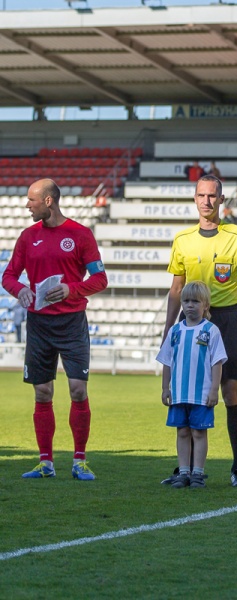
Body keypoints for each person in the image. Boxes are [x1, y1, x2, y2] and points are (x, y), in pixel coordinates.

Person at [1, 178, 108, 480]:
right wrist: (20, 290)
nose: (27, 205)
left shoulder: (80, 234)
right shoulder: (27, 236)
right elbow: (9, 276)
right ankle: (45, 463)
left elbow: (100, 279)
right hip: (39, 324)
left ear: (48, 201)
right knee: (43, 392)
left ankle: (79, 461)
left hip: (72, 322)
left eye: (31, 200)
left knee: (78, 390)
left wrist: (71, 289)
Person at [163, 174, 237, 488]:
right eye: (202, 195)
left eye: (212, 195)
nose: (207, 201)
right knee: (188, 392)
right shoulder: (183, 239)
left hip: (227, 318)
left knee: (231, 392)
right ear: (195, 198)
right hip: (190, 321)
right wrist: (168, 328)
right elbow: (176, 289)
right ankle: (186, 468)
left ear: (221, 199)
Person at [156, 281, 227, 489]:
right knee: (182, 432)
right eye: (186, 301)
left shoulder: (210, 330)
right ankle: (183, 472)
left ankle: (198, 473)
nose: (190, 305)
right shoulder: (175, 331)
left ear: (206, 305)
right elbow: (167, 361)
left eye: (195, 301)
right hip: (179, 393)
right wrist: (165, 388)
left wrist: (214, 390)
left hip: (201, 394)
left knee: (198, 432)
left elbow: (217, 362)